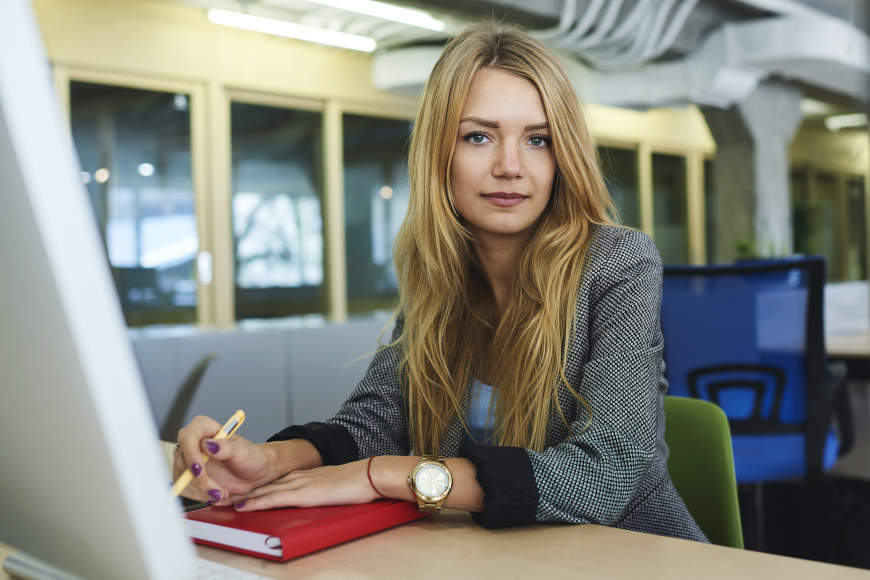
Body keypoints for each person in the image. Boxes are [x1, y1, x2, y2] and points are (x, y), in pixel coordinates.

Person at [174, 23, 707, 542]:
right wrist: (268, 460)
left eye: (538, 140)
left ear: (563, 156)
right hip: (495, 556)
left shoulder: (618, 263)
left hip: (631, 556)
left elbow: (606, 474)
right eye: (479, 136)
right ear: (439, 155)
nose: (510, 166)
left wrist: (384, 475)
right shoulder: (440, 272)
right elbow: (378, 417)